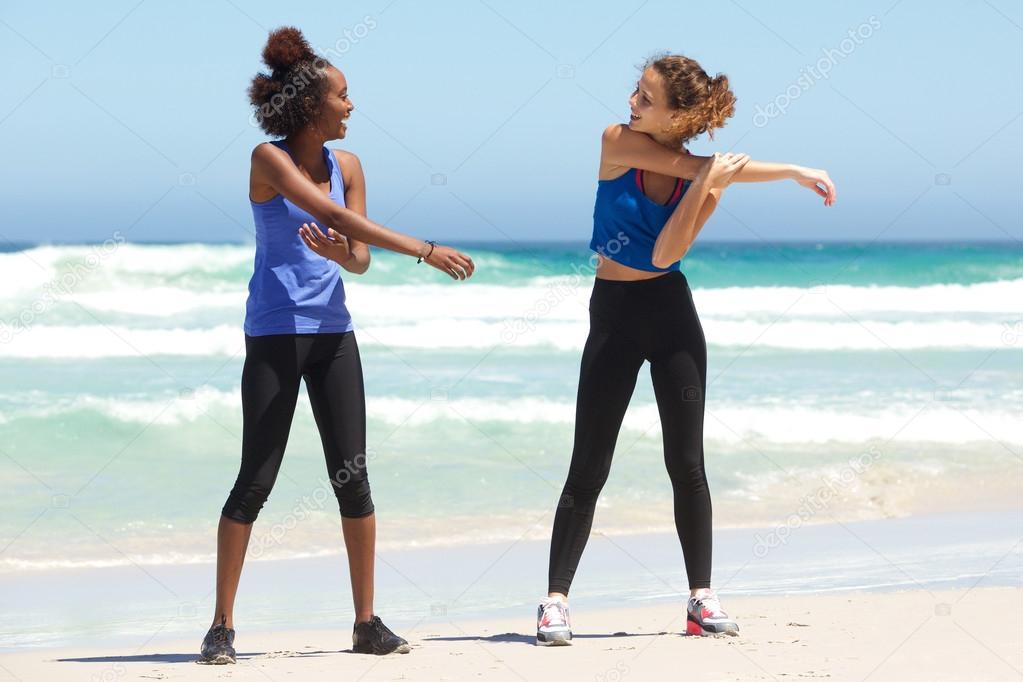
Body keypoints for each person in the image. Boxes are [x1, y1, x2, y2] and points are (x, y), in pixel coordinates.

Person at [536, 53, 835, 645]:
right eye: (636, 91)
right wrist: (779, 171)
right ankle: (554, 603)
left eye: (646, 98)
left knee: (687, 464)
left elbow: (666, 254)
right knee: (588, 465)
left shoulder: (706, 181)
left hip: (671, 313)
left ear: (677, 114)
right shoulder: (617, 141)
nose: (631, 103)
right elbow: (703, 165)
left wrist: (720, 184)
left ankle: (701, 598)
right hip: (613, 315)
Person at [199, 26, 475, 665]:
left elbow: (357, 255)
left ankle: (366, 623)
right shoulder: (269, 160)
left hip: (333, 336)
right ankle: (221, 626)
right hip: (274, 334)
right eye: (344, 96)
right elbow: (345, 219)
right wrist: (427, 250)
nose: (352, 106)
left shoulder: (348, 165)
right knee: (256, 479)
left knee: (353, 477)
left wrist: (341, 255)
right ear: (311, 105)